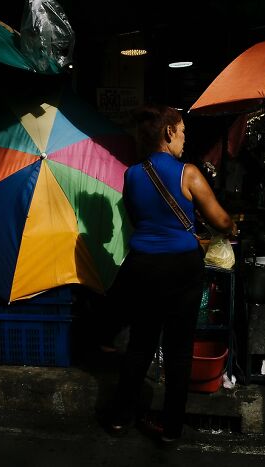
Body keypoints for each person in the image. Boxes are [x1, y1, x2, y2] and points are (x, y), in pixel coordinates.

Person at [106, 105, 237, 446]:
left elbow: (138, 219)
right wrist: (231, 225)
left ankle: (120, 418)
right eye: (181, 132)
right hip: (180, 267)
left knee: (140, 345)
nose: (183, 139)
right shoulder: (188, 173)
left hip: (143, 265)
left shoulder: (132, 174)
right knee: (178, 350)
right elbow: (221, 222)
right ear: (167, 134)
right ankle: (171, 429)